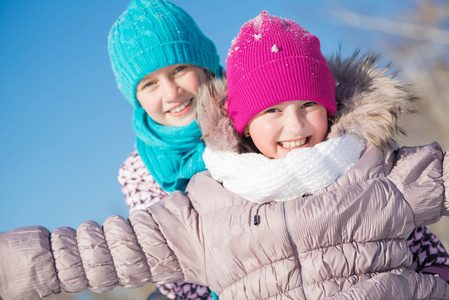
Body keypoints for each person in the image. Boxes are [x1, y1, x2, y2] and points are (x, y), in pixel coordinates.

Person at [1, 10, 449, 300]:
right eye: (271, 110)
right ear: (242, 123)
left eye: (308, 105)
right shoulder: (205, 201)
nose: (293, 128)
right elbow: (93, 251)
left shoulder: (374, 166)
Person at [108, 0, 221, 298]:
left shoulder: (258, 117)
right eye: (149, 84)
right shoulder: (138, 173)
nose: (172, 93)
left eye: (180, 68)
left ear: (205, 64)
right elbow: (173, 271)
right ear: (137, 98)